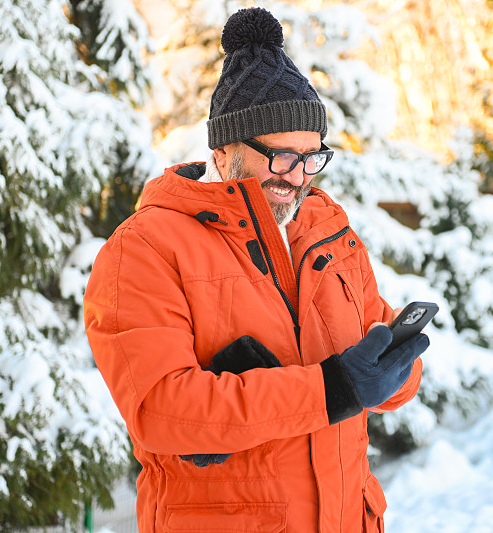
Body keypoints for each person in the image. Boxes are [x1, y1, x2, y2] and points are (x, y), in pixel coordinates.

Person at [83, 6, 429, 533]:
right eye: (281, 156)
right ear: (225, 150)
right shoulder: (145, 248)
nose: (298, 176)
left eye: (311, 157)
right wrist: (335, 388)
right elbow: (161, 410)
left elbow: (377, 360)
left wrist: (395, 373)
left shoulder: (328, 232)